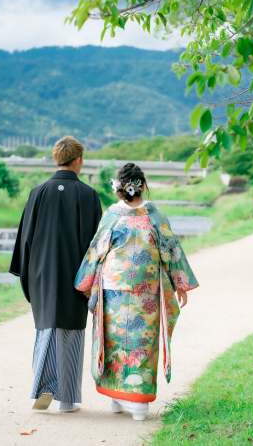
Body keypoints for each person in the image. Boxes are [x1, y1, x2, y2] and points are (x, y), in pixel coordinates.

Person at [74, 163, 198, 421]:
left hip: (113, 293)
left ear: (120, 188)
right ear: (143, 185)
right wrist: (180, 284)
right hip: (147, 293)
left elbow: (96, 250)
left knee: (115, 341)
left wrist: (86, 283)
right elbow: (171, 252)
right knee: (143, 343)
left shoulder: (111, 215)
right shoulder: (156, 216)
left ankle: (118, 395)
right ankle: (136, 403)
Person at [9, 136, 102, 413]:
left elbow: (25, 239)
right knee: (72, 331)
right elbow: (94, 245)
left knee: (46, 328)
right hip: (76, 274)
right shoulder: (88, 195)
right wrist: (92, 281)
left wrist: (26, 274)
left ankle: (43, 384)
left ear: (56, 159)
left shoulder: (37, 192)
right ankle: (68, 399)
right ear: (79, 160)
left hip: (41, 273)